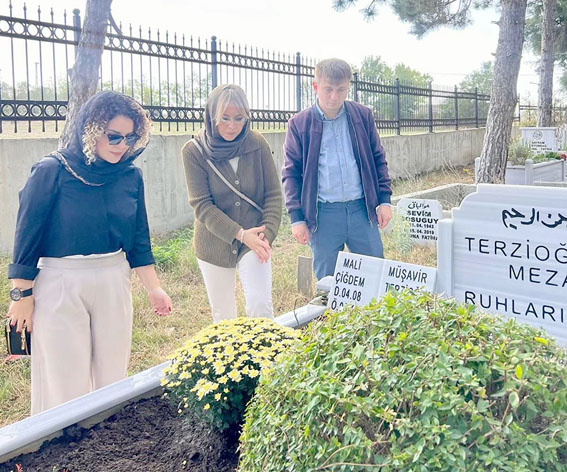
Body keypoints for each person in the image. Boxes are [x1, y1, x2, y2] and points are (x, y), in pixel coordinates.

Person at [7, 91, 172, 415]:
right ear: (91, 130)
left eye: (130, 137)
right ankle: (63, 455)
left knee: (112, 377)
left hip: (113, 279)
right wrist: (21, 295)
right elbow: (27, 235)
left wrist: (153, 288)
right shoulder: (51, 170)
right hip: (60, 281)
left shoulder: (130, 176)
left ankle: (104, 450)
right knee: (64, 380)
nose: (121, 144)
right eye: (113, 135)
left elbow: (138, 238)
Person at [282, 58, 393, 280]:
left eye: (341, 90)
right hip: (323, 215)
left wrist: (384, 200)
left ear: (348, 87)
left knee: (375, 276)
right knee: (328, 284)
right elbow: (291, 173)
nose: (334, 97)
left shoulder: (362, 116)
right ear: (316, 87)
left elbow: (378, 159)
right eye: (328, 89)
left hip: (362, 211)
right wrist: (297, 218)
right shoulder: (299, 124)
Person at [182, 84, 282, 322]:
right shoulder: (193, 152)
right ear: (211, 115)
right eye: (224, 118)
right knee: (223, 317)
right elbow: (202, 206)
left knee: (261, 309)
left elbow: (273, 194)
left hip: (255, 240)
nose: (232, 125)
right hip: (214, 244)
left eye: (239, 118)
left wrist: (265, 234)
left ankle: (264, 358)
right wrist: (239, 233)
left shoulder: (257, 143)